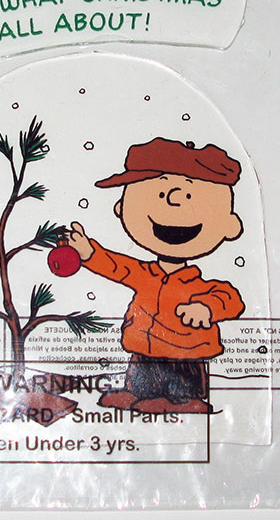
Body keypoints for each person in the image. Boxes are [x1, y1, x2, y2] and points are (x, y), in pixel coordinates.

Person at [69, 137, 245, 414]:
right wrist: (89, 251)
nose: (174, 200)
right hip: (143, 348)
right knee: (142, 380)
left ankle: (184, 402)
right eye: (160, 194)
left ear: (229, 225)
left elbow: (229, 298)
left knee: (181, 389)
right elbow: (116, 266)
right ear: (121, 208)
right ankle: (137, 393)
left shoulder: (200, 285)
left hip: (185, 354)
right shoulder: (144, 274)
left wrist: (206, 308)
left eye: (189, 196)